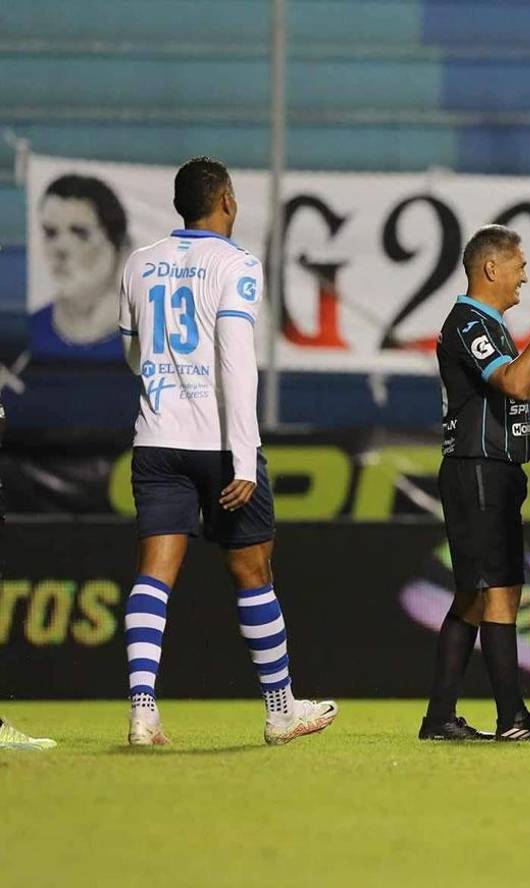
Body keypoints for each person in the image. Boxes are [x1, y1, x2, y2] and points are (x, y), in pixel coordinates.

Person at [119, 156, 337, 747]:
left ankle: (143, 709)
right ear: (227, 201)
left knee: (154, 575)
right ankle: (278, 709)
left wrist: (166, 390)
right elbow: (238, 363)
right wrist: (243, 456)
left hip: (157, 437)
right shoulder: (236, 264)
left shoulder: (139, 264)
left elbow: (133, 355)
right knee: (252, 571)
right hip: (219, 444)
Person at [420, 224, 530, 742]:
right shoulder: (469, 322)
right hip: (478, 470)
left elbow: (527, 387)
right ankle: (510, 718)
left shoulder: (488, 325)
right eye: (518, 264)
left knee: (481, 595)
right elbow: (515, 381)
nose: (525, 275)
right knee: (495, 593)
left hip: (494, 471)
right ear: (491, 268)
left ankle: (441, 718)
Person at [31, 174, 129, 361]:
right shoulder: (28, 336)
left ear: (120, 248)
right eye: (50, 233)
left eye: (80, 233)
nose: (60, 249)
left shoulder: (154, 342)